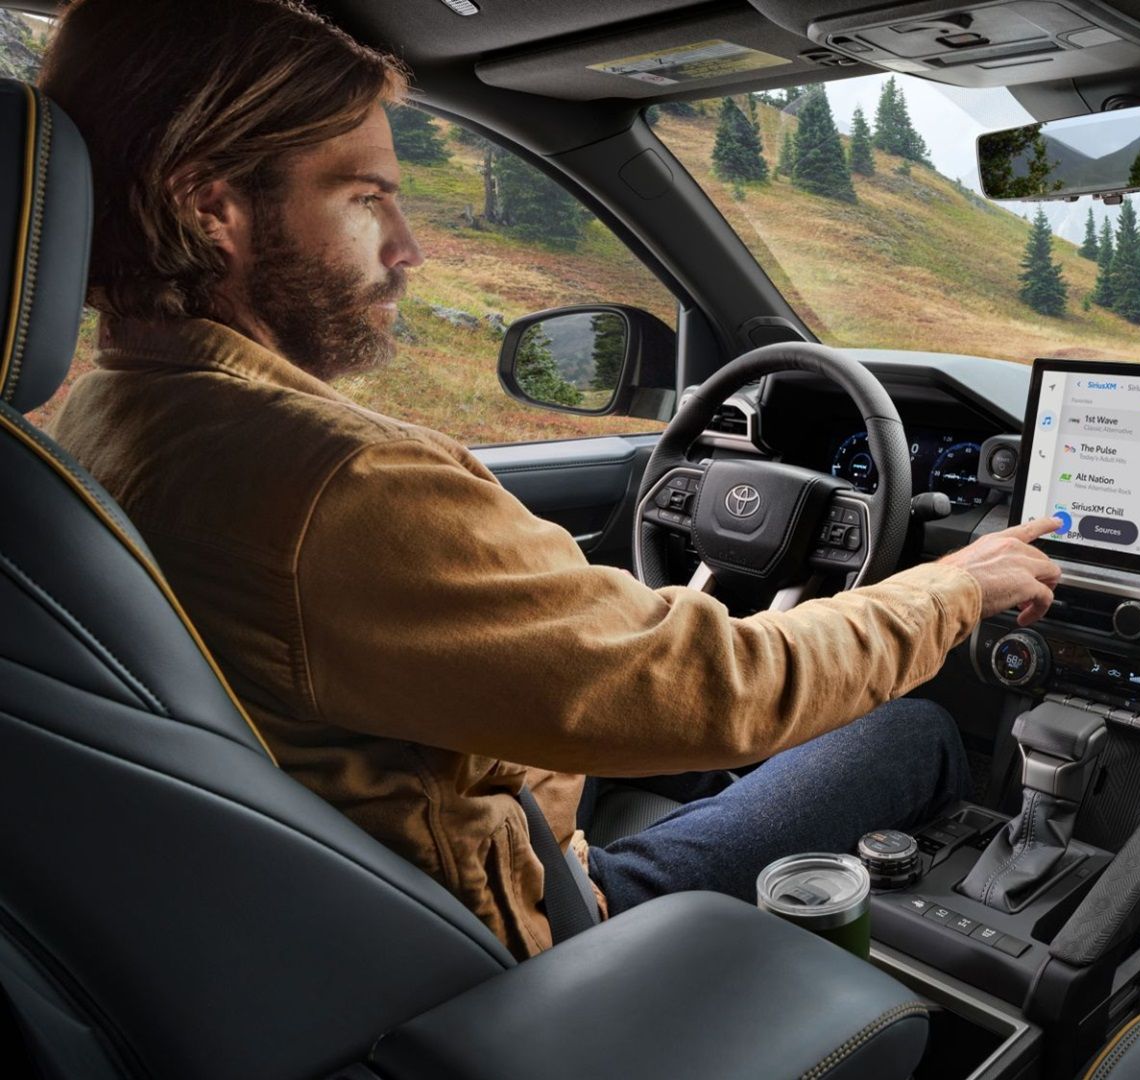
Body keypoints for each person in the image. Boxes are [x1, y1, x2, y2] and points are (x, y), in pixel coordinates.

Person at [39, 0, 1061, 958]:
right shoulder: (343, 484)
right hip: (530, 932)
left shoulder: (100, 413)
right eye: (365, 200)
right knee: (912, 732)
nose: (410, 251)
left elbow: (614, 674)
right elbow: (722, 688)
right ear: (211, 206)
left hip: (327, 921)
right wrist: (954, 588)